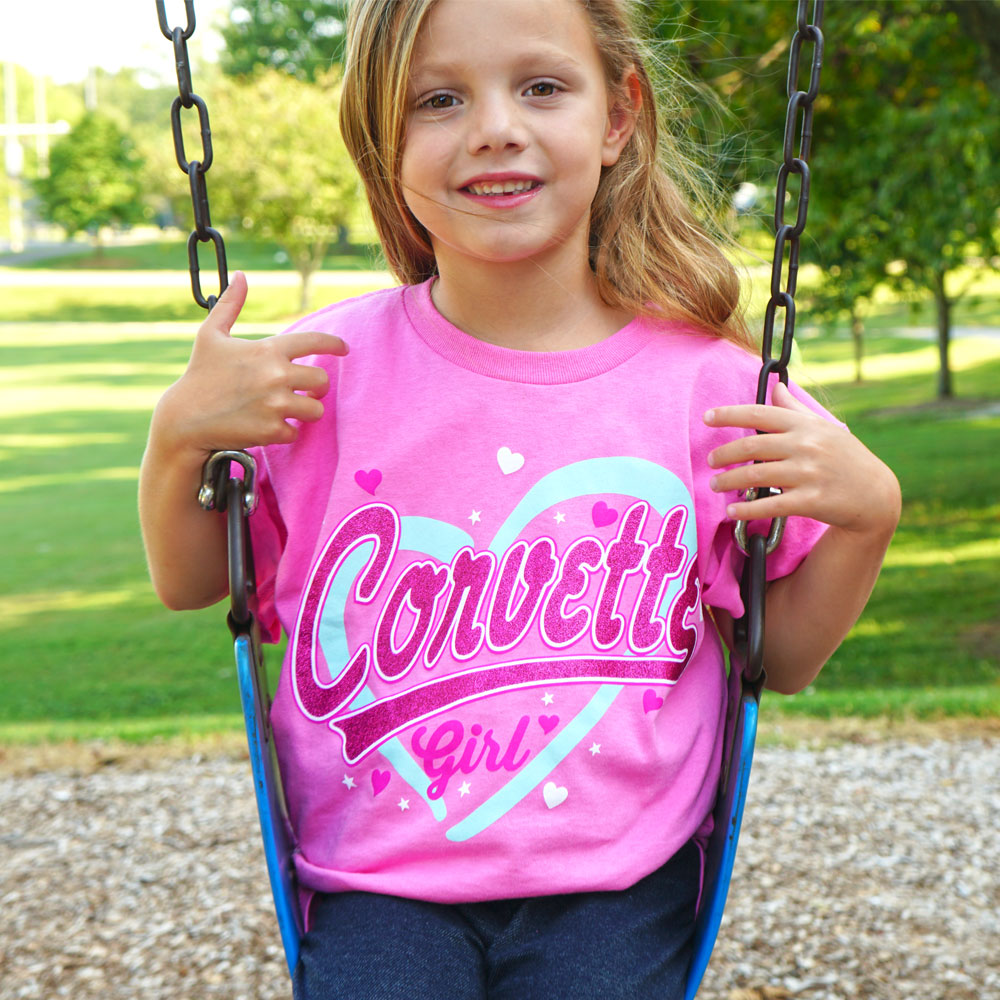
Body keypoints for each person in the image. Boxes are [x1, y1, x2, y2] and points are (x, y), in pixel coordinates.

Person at [139, 1, 901, 996]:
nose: (495, 125)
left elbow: (783, 657)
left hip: (617, 882)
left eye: (541, 87)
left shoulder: (707, 389)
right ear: (384, 138)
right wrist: (176, 438)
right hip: (379, 881)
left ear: (618, 116)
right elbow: (196, 580)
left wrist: (868, 512)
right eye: (439, 99)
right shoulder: (320, 373)